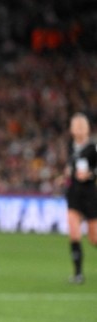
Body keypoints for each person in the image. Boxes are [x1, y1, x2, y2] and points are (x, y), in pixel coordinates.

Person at [64, 112, 97, 284]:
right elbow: (71, 165)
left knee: (94, 238)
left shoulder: (93, 148)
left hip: (90, 195)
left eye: (80, 126)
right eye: (74, 126)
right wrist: (67, 172)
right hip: (74, 194)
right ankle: (78, 274)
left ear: (86, 129)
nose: (77, 129)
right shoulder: (70, 146)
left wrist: (90, 174)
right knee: (74, 233)